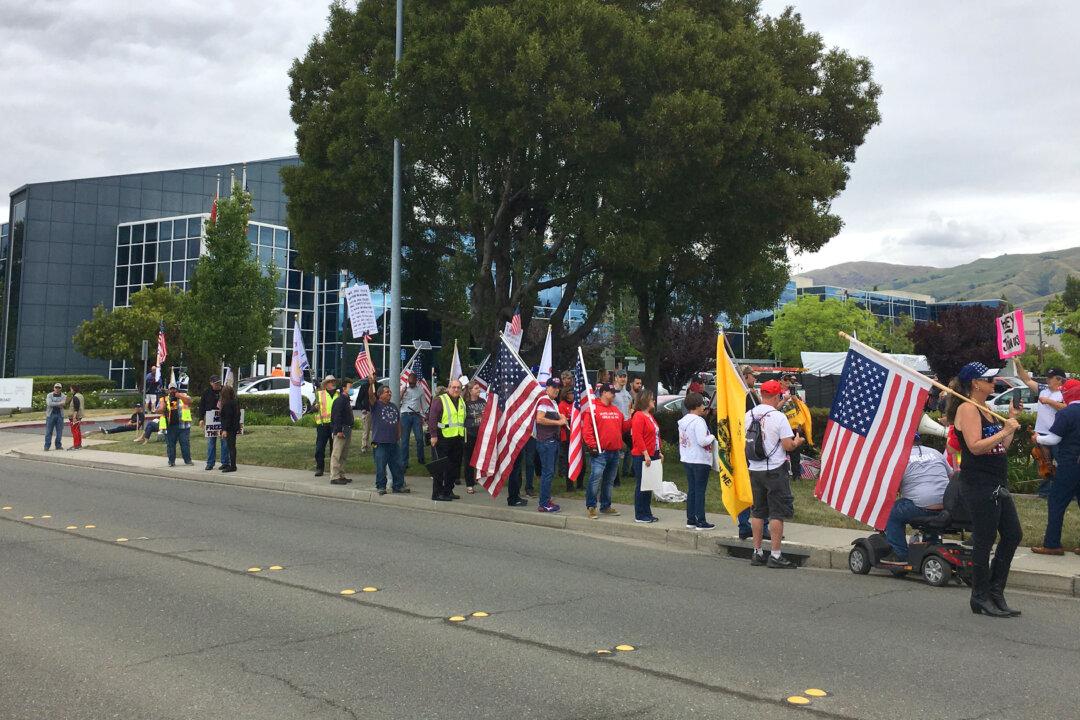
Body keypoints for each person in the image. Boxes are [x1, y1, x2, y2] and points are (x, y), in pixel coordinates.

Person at [950, 361, 1022, 618]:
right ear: (975, 384)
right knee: (984, 539)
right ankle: (979, 596)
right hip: (978, 483)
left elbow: (1001, 446)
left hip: (997, 482)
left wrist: (1010, 423)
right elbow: (975, 446)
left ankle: (995, 591)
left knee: (1013, 535)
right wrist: (1003, 429)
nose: (994, 383)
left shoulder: (987, 408)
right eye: (989, 380)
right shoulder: (968, 409)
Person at [746, 380, 804, 568]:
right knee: (776, 513)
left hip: (754, 468)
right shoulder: (779, 418)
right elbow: (787, 446)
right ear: (778, 396)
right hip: (775, 469)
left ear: (762, 394)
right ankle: (776, 555)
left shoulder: (748, 415)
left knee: (757, 511)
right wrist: (797, 442)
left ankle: (757, 552)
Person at [883, 435, 953, 561]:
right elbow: (951, 476)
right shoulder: (935, 453)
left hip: (921, 507)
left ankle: (899, 554)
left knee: (891, 512)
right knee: (925, 510)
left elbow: (893, 487)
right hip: (945, 507)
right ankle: (931, 547)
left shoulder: (901, 458)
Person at [1032, 378, 1080, 556]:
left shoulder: (1066, 413)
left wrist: (1038, 438)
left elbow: (1053, 439)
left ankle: (1052, 544)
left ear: (1067, 395)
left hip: (1070, 464)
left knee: (1056, 502)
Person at [1016, 361, 1066, 498]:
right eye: (1047, 377)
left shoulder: (1065, 392)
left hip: (1058, 433)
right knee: (1043, 462)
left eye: (1051, 378)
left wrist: (1049, 402)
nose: (1047, 380)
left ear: (1059, 379)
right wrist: (1018, 363)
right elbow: (1026, 379)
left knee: (1062, 462)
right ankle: (1045, 492)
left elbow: (1066, 408)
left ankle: (1065, 490)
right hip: (1041, 432)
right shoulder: (1043, 389)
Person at [582, 383, 630, 519]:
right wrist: (592, 446)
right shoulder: (593, 409)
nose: (614, 394)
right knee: (595, 478)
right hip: (600, 452)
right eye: (611, 392)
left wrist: (632, 417)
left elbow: (623, 427)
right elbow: (587, 430)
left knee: (609, 480)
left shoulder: (615, 410)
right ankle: (591, 506)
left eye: (614, 392)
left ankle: (605, 505)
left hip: (614, 451)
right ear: (603, 392)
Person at [678, 392, 715, 530]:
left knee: (692, 489)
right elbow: (702, 440)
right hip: (700, 460)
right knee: (700, 491)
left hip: (687, 458)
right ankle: (701, 520)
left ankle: (691, 519)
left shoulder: (683, 421)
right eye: (702, 404)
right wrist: (712, 436)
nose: (703, 407)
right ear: (697, 406)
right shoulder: (699, 421)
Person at [367, 375, 409, 495]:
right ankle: (381, 486)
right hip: (378, 442)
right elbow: (370, 396)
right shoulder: (376, 405)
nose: (390, 394)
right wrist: (371, 384)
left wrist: (399, 434)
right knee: (380, 465)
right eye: (387, 392)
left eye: (390, 392)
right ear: (380, 394)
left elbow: (398, 422)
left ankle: (398, 486)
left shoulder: (393, 406)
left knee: (397, 465)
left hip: (393, 442)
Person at [428, 377, 466, 501]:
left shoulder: (461, 400)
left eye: (458, 387)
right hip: (442, 438)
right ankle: (437, 493)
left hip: (457, 438)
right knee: (440, 467)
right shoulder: (440, 400)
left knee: (454, 467)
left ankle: (448, 491)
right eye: (453, 387)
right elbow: (432, 418)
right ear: (448, 388)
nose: (456, 389)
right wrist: (433, 435)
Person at [534, 378, 566, 513]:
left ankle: (545, 499)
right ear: (547, 388)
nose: (556, 389)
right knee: (548, 473)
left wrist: (561, 418)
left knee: (549, 472)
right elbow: (539, 419)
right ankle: (544, 503)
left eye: (558, 387)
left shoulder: (552, 402)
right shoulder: (544, 401)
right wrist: (559, 422)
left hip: (551, 441)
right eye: (553, 387)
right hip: (546, 441)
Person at [630, 390, 662, 523]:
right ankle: (640, 514)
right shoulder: (638, 416)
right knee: (642, 485)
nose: (653, 401)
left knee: (649, 484)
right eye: (651, 399)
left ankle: (647, 512)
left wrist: (658, 451)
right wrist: (645, 453)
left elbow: (655, 435)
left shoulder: (649, 415)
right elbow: (637, 436)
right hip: (642, 455)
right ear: (645, 400)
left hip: (653, 453)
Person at [779, 374, 813, 481]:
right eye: (786, 379)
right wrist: (784, 400)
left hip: (793, 427)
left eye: (790, 380)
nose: (788, 382)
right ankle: (781, 475)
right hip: (780, 427)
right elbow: (774, 408)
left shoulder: (794, 393)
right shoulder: (776, 392)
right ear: (780, 381)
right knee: (781, 452)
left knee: (795, 452)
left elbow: (802, 410)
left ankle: (796, 475)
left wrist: (795, 400)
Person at [158, 383, 194, 467]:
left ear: (177, 389)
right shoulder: (165, 399)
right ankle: (171, 461)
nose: (172, 391)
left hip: (183, 425)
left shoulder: (183, 395)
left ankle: (188, 460)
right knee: (170, 445)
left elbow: (189, 401)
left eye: (174, 389)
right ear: (168, 390)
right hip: (170, 426)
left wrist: (180, 396)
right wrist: (161, 408)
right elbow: (159, 409)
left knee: (185, 443)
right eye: (171, 389)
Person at [198, 375, 230, 471]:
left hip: (223, 419)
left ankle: (225, 462)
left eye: (218, 382)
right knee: (211, 442)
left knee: (224, 441)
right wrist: (201, 419)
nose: (217, 384)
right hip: (211, 420)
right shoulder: (207, 392)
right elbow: (202, 406)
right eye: (215, 383)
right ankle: (210, 463)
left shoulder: (224, 391)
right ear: (211, 383)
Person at [400, 372, 429, 470]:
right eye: (410, 382)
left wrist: (426, 415)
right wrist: (402, 393)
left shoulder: (420, 390)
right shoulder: (403, 389)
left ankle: (421, 459)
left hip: (416, 415)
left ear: (416, 381)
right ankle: (404, 462)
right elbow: (397, 401)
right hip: (405, 415)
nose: (411, 384)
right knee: (404, 440)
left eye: (413, 383)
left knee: (420, 438)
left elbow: (424, 404)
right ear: (407, 381)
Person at [329, 378, 355, 485]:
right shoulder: (339, 401)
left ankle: (341, 474)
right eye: (350, 387)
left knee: (344, 454)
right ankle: (334, 476)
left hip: (347, 429)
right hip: (341, 429)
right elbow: (337, 416)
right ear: (344, 388)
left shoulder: (346, 400)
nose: (352, 389)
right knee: (337, 453)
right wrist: (338, 430)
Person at [463, 380, 486, 495]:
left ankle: (480, 478)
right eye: (476, 388)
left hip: (481, 434)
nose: (479, 390)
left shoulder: (483, 401)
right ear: (470, 390)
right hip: (469, 434)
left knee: (480, 458)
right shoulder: (464, 403)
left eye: (479, 388)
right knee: (469, 459)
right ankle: (469, 484)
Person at [311, 375, 337, 478]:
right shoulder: (319, 395)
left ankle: (333, 469)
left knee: (334, 448)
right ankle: (319, 468)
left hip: (334, 425)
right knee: (320, 448)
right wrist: (315, 407)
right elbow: (312, 408)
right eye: (330, 382)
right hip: (322, 425)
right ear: (326, 384)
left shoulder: (338, 395)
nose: (332, 383)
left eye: (333, 381)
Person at [613, 370, 633, 481]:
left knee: (635, 448)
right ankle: (615, 479)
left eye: (624, 376)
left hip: (627, 425)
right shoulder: (612, 392)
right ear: (616, 378)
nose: (623, 378)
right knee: (616, 451)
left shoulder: (627, 394)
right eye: (620, 376)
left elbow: (629, 408)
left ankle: (632, 472)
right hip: (616, 425)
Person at [218, 384, 239, 473]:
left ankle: (233, 466)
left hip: (229, 428)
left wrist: (225, 430)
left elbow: (227, 418)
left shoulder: (227, 404)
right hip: (234, 427)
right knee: (232, 446)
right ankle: (231, 464)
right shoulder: (234, 402)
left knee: (231, 446)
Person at [558, 386, 575, 491]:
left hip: (576, 435)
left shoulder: (575, 404)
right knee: (568, 461)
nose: (572, 394)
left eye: (573, 393)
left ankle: (580, 484)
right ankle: (569, 485)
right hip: (566, 436)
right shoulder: (562, 405)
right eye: (570, 392)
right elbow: (563, 420)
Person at [44, 383, 66, 451]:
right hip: (50, 415)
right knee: (48, 431)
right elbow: (49, 404)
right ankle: (47, 446)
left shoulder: (63, 396)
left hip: (60, 415)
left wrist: (54, 403)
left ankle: (58, 445)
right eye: (56, 387)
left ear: (60, 389)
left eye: (59, 388)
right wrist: (59, 403)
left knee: (59, 431)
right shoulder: (49, 395)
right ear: (54, 388)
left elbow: (63, 404)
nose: (57, 389)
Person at [354, 376, 372, 454]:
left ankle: (376, 445)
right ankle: (364, 446)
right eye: (370, 377)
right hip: (367, 411)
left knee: (377, 430)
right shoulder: (364, 386)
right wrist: (362, 409)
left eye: (374, 376)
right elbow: (358, 400)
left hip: (377, 412)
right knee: (366, 430)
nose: (372, 378)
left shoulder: (379, 386)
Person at [64, 384, 85, 450]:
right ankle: (79, 444)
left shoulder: (76, 397)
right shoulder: (80, 395)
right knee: (77, 430)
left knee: (74, 431)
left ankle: (76, 445)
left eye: (71, 389)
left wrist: (74, 417)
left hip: (75, 416)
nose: (70, 390)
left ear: (74, 389)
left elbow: (76, 408)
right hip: (79, 415)